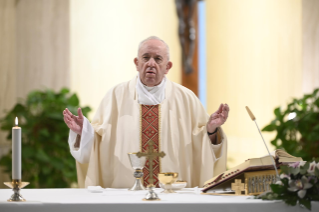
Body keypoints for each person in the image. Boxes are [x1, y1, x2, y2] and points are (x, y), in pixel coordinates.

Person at [63, 36, 230, 188]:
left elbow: (201, 144)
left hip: (172, 194)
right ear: (137, 63)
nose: (151, 63)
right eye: (146, 58)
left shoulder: (186, 98)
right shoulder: (115, 96)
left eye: (158, 59)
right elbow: (100, 142)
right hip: (126, 193)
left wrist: (212, 129)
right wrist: (83, 132)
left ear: (168, 66)